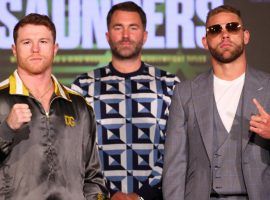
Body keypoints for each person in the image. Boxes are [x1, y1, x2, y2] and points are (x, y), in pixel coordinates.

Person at [72, 1, 179, 200]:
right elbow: (76, 149)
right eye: (118, 27)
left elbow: (177, 147)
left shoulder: (170, 84)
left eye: (133, 27)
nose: (126, 35)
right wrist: (109, 194)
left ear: (145, 35)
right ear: (107, 35)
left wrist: (143, 195)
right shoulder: (83, 86)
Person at [163, 4, 270, 200]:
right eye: (215, 30)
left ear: (245, 36)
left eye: (232, 27)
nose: (225, 34)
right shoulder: (185, 93)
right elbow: (175, 165)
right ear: (205, 41)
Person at [0, 13, 108, 200]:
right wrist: (6, 129)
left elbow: (93, 177)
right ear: (14, 50)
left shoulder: (78, 105)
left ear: (55, 48)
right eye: (26, 42)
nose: (35, 49)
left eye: (43, 41)